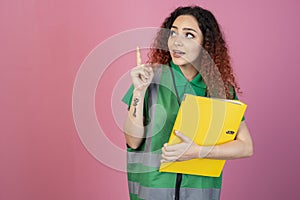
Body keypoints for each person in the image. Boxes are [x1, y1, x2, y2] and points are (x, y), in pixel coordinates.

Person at [122, 6, 253, 200]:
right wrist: (139, 91)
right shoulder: (150, 78)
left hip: (199, 193)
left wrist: (197, 151)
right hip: (153, 191)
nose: (177, 42)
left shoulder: (220, 88)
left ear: (206, 44)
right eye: (173, 33)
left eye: (189, 35)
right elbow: (132, 140)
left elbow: (245, 146)